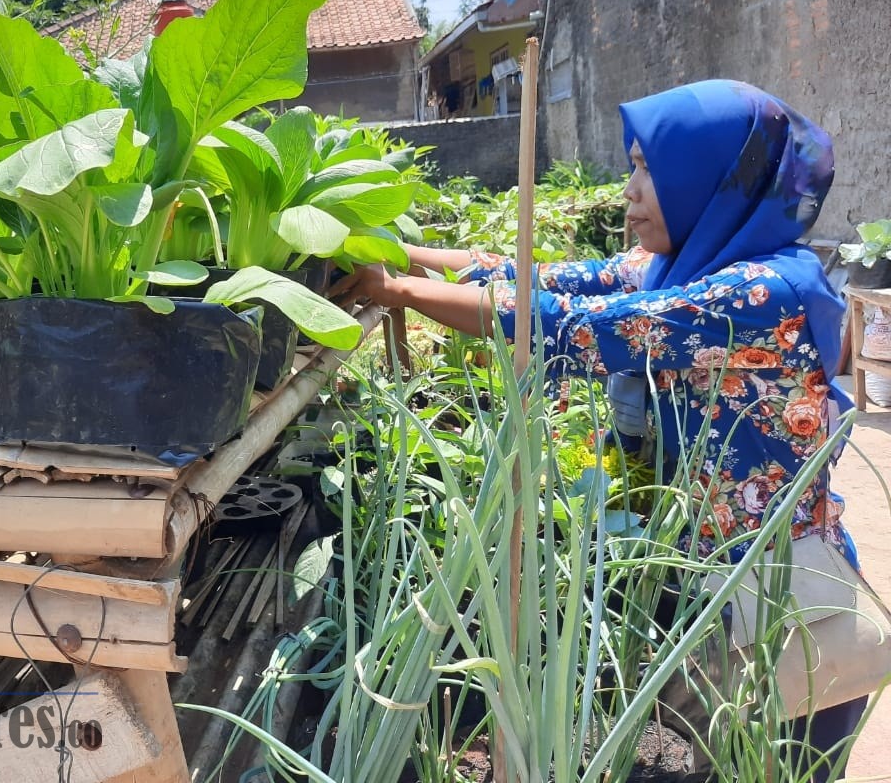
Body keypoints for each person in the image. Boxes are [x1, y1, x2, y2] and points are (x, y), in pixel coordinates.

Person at [334, 79, 865, 779]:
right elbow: (535, 274)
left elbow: (567, 330)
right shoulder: (676, 265)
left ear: (709, 176)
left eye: (651, 169)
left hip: (779, 610)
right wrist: (406, 257)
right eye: (635, 166)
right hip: (708, 587)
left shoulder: (764, 292)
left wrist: (395, 291)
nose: (629, 191)